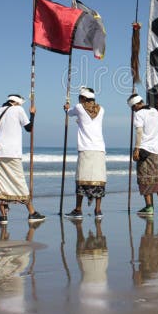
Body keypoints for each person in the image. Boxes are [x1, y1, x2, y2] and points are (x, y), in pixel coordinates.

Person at [0, 94, 46, 224]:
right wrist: (33, 114)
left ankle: (3, 216)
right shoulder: (18, 110)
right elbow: (29, 129)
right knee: (19, 181)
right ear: (16, 103)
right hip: (12, 153)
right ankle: (32, 212)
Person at [64, 86, 107, 219]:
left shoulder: (79, 107)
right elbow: (88, 122)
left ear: (83, 98)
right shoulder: (102, 109)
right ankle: (98, 210)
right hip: (99, 149)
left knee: (81, 180)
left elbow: (69, 113)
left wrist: (66, 108)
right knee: (98, 180)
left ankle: (78, 209)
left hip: (86, 148)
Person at [128, 93, 158, 216]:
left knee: (144, 179)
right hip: (155, 149)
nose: (133, 110)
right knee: (156, 177)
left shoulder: (139, 114)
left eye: (132, 108)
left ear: (136, 105)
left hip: (144, 149)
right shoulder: (154, 111)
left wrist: (136, 148)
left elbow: (139, 132)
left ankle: (149, 207)